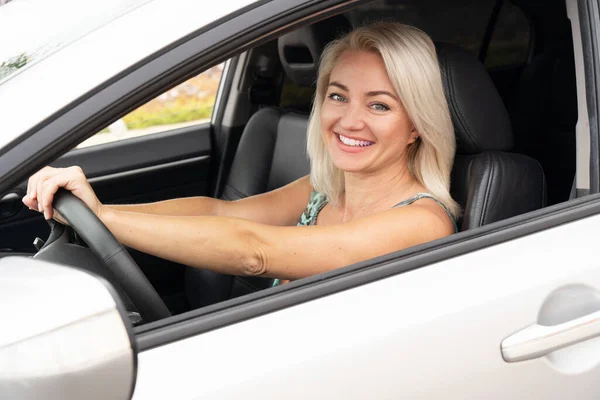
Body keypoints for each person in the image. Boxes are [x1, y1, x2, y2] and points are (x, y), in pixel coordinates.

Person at [23, 22, 460, 286]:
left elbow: (256, 252)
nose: (349, 120)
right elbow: (219, 214)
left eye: (379, 105)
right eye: (338, 96)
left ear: (417, 125)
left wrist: (106, 221)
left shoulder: (421, 222)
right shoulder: (325, 188)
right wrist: (97, 209)